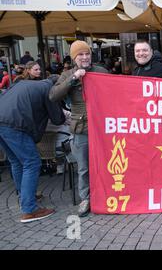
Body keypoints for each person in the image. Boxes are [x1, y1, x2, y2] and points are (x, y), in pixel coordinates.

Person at [49, 40, 109, 217]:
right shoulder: (67, 74)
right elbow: (53, 95)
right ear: (74, 58)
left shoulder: (101, 71)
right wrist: (74, 78)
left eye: (87, 54)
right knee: (84, 167)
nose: (84, 57)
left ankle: (106, 195)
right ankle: (86, 199)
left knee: (105, 164)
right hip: (81, 129)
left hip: (103, 128)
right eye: (80, 55)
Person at [0, 76, 65, 223]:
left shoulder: (27, 84)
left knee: (16, 162)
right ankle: (29, 209)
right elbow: (57, 119)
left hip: (2, 120)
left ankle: (24, 196)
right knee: (32, 162)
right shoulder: (50, 90)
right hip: (13, 124)